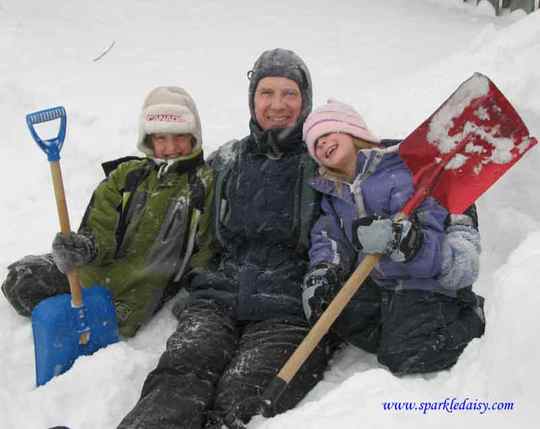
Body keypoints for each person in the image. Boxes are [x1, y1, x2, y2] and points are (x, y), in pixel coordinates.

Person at [117, 48, 332, 429]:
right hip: (215, 300)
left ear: (306, 100)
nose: (277, 105)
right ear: (253, 100)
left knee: (243, 401)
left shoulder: (323, 161)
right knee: (176, 380)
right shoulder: (226, 160)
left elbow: (373, 179)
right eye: (266, 93)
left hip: (286, 310)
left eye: (289, 93)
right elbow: (164, 212)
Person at [1, 86, 214, 338]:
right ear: (148, 140)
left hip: (139, 290)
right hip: (95, 270)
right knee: (21, 282)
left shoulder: (204, 185)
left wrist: (199, 288)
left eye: (179, 137)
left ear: (194, 136)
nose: (170, 148)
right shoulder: (127, 175)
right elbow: (99, 227)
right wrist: (84, 247)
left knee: (100, 323)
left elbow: (208, 249)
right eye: (160, 138)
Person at [301, 99, 486, 375]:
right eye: (315, 144)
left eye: (328, 133)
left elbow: (434, 230)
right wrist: (322, 271)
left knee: (405, 357)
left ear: (352, 131)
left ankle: (468, 318)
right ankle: (401, 331)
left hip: (426, 283)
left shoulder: (403, 170)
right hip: (383, 286)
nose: (323, 144)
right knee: (332, 313)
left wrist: (405, 242)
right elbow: (328, 237)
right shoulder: (334, 194)